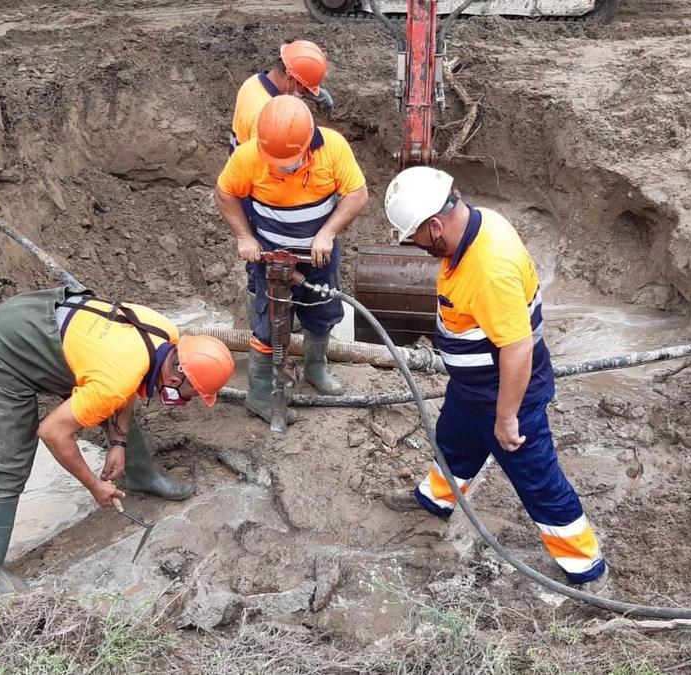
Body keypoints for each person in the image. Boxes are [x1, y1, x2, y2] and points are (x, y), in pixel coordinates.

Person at [380, 167, 607, 590]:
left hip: (506, 394)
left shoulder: (489, 269)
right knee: (453, 442)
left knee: (537, 478)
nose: (417, 246)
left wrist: (506, 417)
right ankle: (436, 500)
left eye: (416, 238)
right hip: (472, 388)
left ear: (435, 224)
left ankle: (586, 568)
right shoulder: (475, 225)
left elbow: (517, 347)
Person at [0, 286, 235, 594]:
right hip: (5, 349)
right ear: (176, 379)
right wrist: (94, 485)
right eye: (193, 394)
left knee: (113, 404)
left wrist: (118, 444)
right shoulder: (116, 380)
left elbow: (130, 382)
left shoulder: (165, 334)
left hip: (48, 326)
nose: (190, 400)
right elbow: (53, 432)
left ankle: (142, 476)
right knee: (11, 463)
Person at [214, 94, 368, 422]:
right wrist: (245, 237)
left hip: (318, 257)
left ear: (306, 145)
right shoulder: (249, 155)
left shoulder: (333, 148)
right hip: (269, 259)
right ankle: (259, 395)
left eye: (288, 159)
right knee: (268, 323)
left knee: (323, 313)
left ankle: (315, 368)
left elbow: (357, 193)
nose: (282, 166)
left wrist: (327, 233)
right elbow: (225, 192)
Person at [229, 39, 334, 327]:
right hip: (256, 188)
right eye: (303, 88)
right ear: (289, 79)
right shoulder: (262, 113)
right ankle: (263, 318)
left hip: (251, 170)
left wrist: (312, 94)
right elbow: (271, 167)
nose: (305, 95)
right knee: (262, 258)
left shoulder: (256, 82)